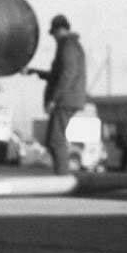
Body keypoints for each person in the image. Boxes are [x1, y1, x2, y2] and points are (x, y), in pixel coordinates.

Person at [26, 14, 87, 174]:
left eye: (53, 33)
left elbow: (67, 74)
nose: (53, 37)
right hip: (68, 98)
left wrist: (54, 99)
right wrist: (35, 72)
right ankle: (61, 174)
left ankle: (62, 177)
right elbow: (58, 75)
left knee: (55, 139)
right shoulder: (71, 45)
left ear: (60, 30)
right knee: (53, 139)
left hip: (65, 100)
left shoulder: (67, 46)